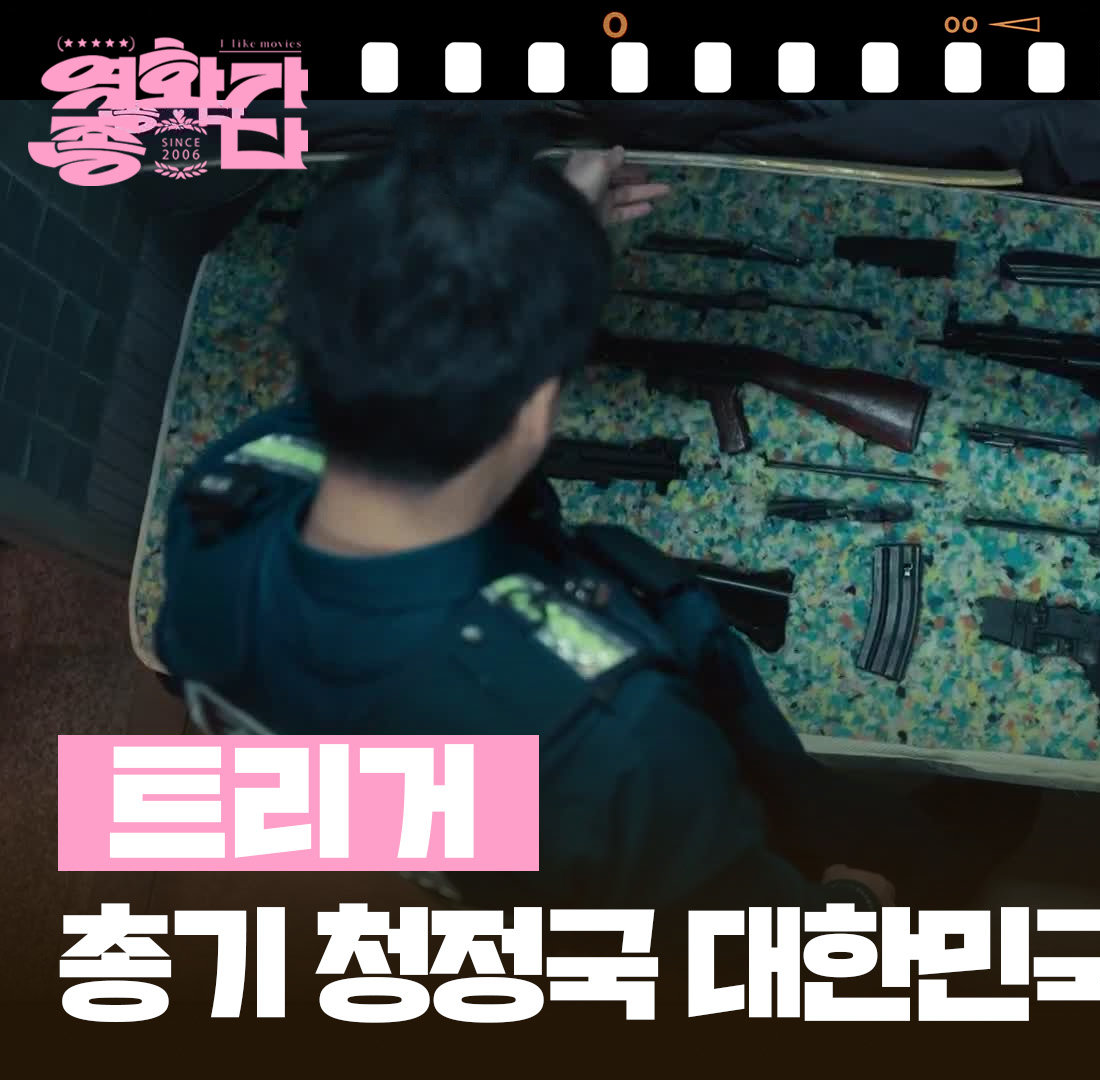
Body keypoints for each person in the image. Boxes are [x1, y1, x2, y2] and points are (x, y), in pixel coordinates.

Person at [155, 114, 1022, 912]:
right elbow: (733, 943)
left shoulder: (223, 493)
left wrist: (540, 248)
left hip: (460, 826)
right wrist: (852, 906)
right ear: (538, 410)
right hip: (667, 854)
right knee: (888, 854)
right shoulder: (621, 738)